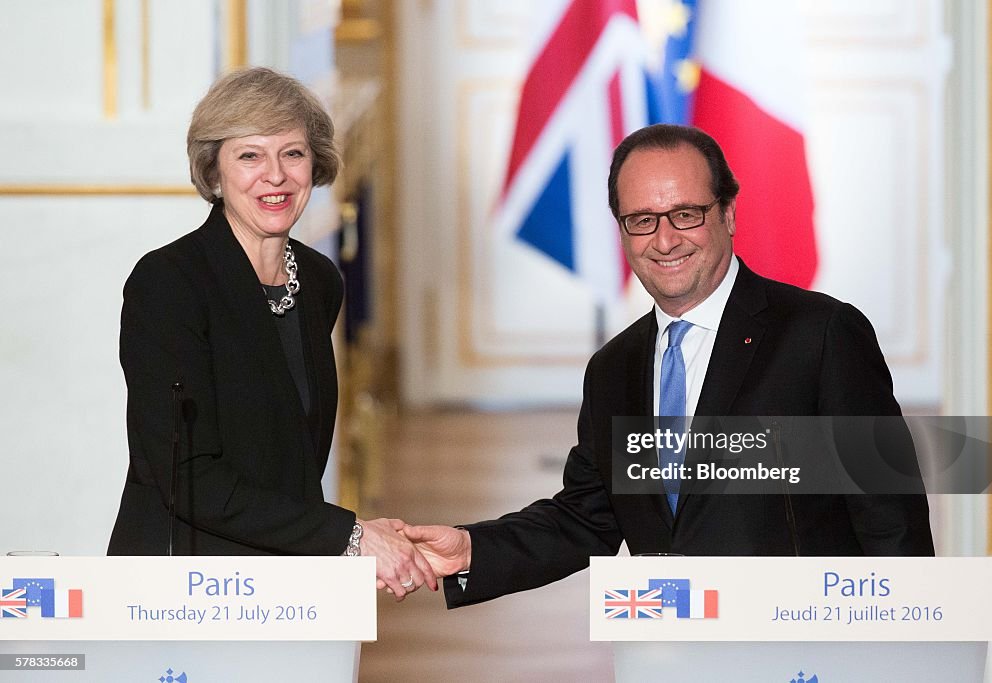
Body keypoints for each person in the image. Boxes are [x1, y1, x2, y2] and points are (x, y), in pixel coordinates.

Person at [401, 124, 934, 608]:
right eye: (641, 220)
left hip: (800, 649)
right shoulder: (614, 368)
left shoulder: (820, 335)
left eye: (685, 214)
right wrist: (473, 548)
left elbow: (891, 523)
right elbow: (587, 518)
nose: (664, 240)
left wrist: (905, 650)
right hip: (670, 646)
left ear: (727, 213)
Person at [107, 67, 433, 599]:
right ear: (215, 172)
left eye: (293, 154)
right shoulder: (168, 284)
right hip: (181, 589)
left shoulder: (320, 281)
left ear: (315, 164)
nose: (275, 176)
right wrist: (350, 536)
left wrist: (350, 540)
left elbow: (288, 458)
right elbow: (185, 477)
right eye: (250, 155)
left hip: (286, 583)